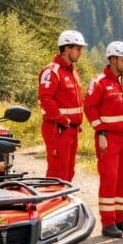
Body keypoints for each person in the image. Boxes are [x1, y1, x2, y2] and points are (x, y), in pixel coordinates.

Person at [84, 41, 123, 238]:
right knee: (110, 178)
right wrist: (100, 132)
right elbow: (90, 108)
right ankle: (108, 223)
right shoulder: (99, 81)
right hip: (109, 138)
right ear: (112, 59)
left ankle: (120, 218)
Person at [38, 30, 86, 181]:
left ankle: (64, 203)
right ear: (66, 49)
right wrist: (62, 119)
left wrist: (77, 122)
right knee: (57, 172)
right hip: (57, 129)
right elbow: (45, 99)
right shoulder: (51, 71)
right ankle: (51, 203)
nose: (80, 53)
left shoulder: (73, 72)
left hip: (71, 130)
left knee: (69, 173)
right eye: (78, 49)